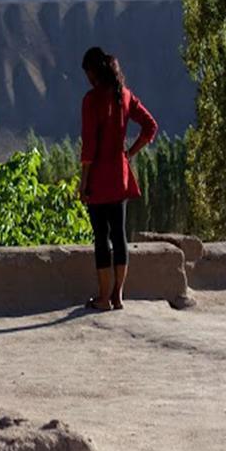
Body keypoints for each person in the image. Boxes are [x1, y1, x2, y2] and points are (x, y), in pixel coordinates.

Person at [78, 46, 157, 311]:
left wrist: (83, 182)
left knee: (102, 237)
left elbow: (88, 148)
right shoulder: (124, 96)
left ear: (94, 72)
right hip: (120, 177)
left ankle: (102, 298)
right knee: (120, 235)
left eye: (88, 72)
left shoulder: (91, 100)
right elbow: (150, 126)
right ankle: (118, 295)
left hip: (98, 180)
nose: (87, 78)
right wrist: (130, 153)